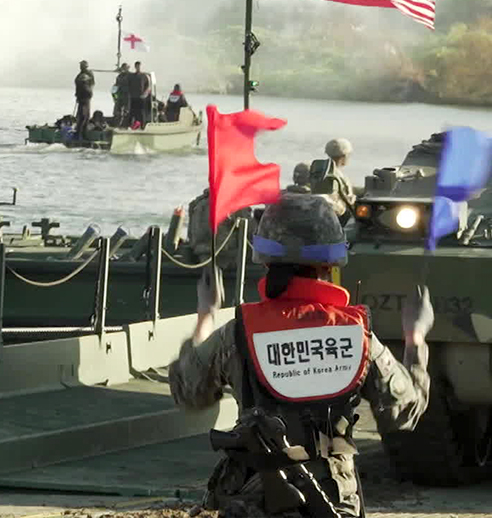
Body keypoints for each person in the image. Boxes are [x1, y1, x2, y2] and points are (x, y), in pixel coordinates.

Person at [168, 193, 433, 517]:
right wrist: (415, 337)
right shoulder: (355, 334)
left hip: (253, 501)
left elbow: (188, 390)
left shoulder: (240, 332)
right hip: (333, 502)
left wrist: (205, 315)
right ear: (331, 264)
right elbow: (404, 412)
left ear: (265, 261)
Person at [312, 139, 364, 223]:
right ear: (345, 156)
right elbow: (344, 196)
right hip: (340, 216)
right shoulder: (337, 176)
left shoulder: (321, 172)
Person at [74, 60, 94, 138]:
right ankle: (80, 133)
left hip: (85, 98)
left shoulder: (86, 75)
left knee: (84, 116)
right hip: (82, 98)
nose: (81, 67)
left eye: (82, 65)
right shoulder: (81, 76)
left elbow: (91, 84)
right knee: (83, 116)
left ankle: (82, 133)